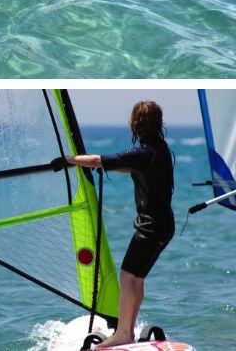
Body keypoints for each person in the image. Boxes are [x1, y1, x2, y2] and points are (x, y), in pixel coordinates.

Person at [55, 101, 174, 348]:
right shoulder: (159, 150)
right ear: (159, 124)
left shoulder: (143, 152)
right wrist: (93, 164)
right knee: (135, 278)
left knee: (128, 277)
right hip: (163, 225)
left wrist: (69, 160)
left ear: (135, 124)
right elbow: (130, 168)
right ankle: (126, 330)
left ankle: (123, 333)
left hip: (151, 228)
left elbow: (100, 160)